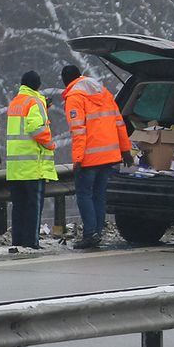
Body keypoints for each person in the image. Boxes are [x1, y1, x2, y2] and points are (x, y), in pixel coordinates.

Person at [62, 65, 133, 249]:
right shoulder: (104, 93)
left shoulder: (74, 98)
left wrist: (77, 159)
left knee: (84, 195)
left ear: (66, 81)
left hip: (90, 157)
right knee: (99, 195)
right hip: (109, 155)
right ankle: (97, 232)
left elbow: (78, 130)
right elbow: (119, 123)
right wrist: (126, 150)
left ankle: (90, 234)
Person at [4, 71, 57, 249]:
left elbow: (23, 125)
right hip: (31, 165)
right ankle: (31, 242)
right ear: (38, 85)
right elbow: (36, 129)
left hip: (15, 165)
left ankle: (17, 241)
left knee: (18, 206)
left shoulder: (15, 102)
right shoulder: (35, 101)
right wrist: (51, 144)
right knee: (34, 206)